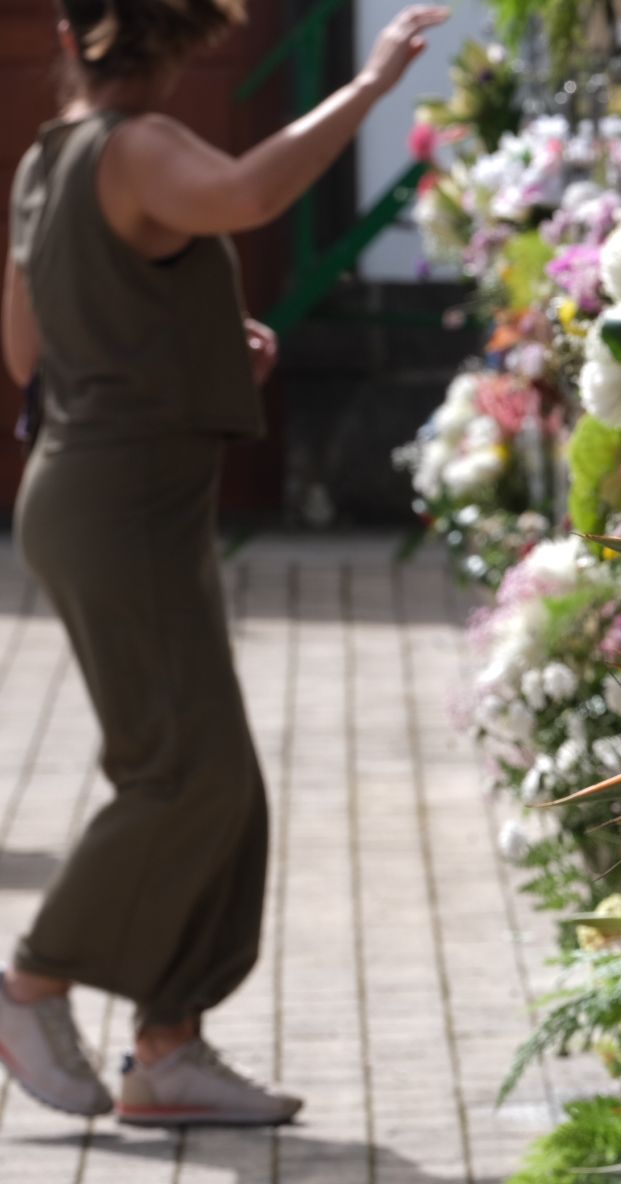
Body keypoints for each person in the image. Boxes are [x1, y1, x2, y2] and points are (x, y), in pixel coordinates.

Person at [0, 0, 447, 1126]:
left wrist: (195, 346)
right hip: (122, 505)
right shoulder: (137, 146)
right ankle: (33, 977)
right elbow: (249, 195)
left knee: (217, 781)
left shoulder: (45, 163)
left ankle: (167, 1050)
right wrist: (374, 83)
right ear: (186, 39)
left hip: (97, 491)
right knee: (180, 777)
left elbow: (27, 350)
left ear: (69, 34)